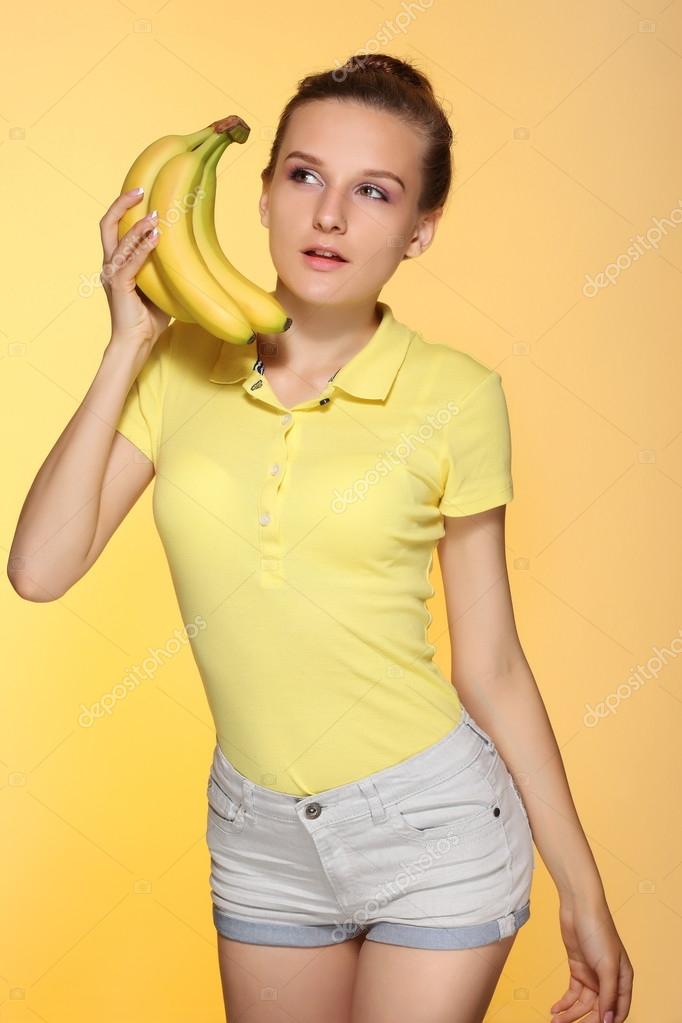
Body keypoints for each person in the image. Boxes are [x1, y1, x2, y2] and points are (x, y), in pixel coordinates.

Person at [8, 52, 633, 1023]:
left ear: (419, 230)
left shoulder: (455, 396)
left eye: (372, 192)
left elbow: (493, 664)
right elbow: (40, 570)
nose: (329, 215)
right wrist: (126, 342)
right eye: (304, 175)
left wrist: (582, 892)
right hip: (256, 835)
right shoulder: (176, 365)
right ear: (259, 196)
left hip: (430, 825)